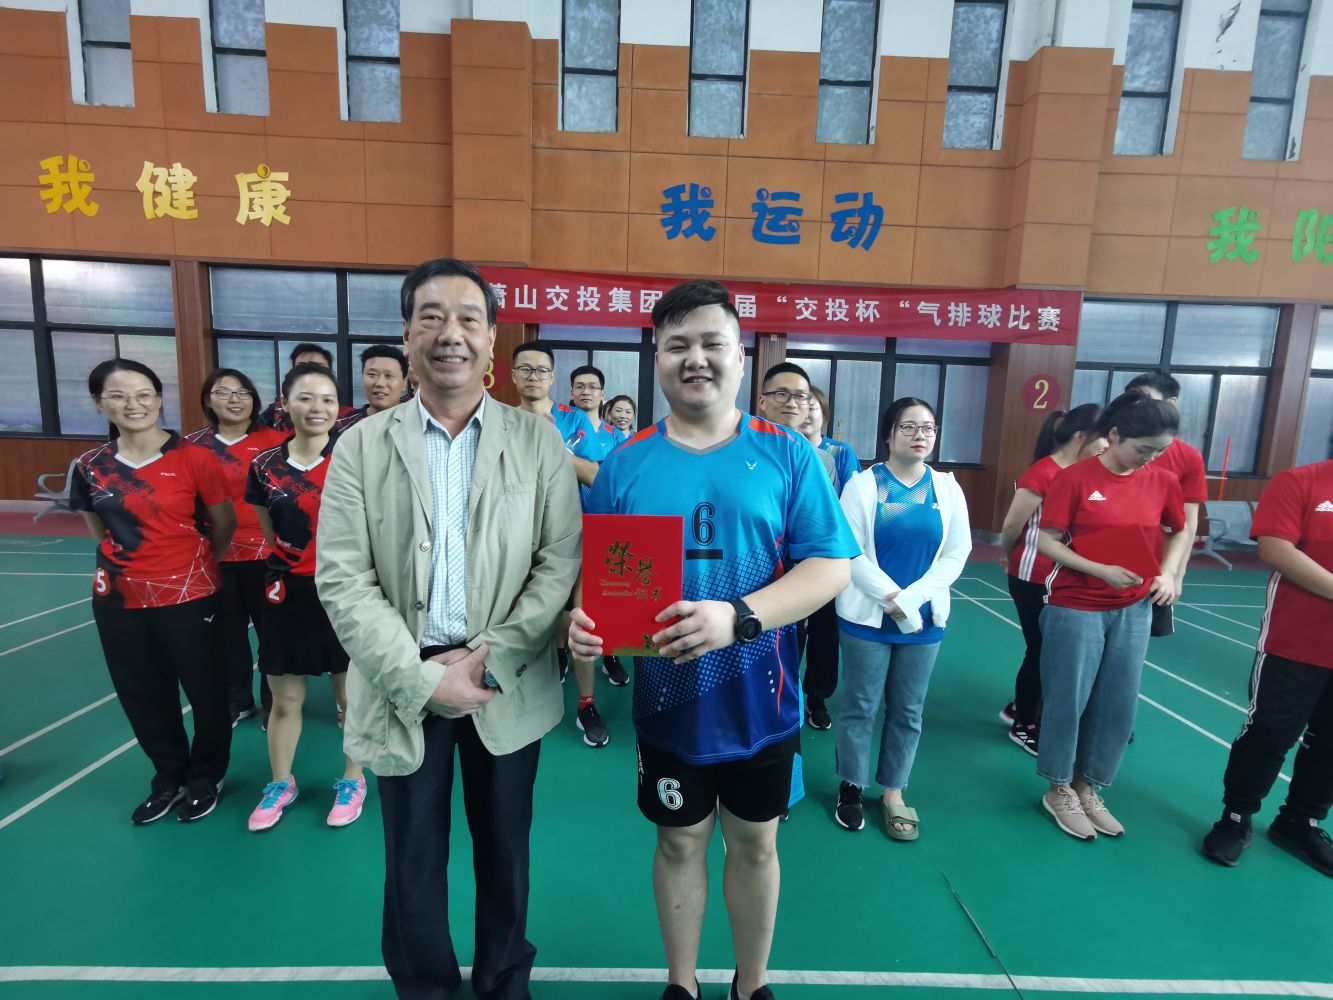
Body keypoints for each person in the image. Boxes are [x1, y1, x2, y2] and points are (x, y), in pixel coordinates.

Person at [568, 279, 856, 1000]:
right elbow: (601, 578)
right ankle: (682, 984)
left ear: (740, 356)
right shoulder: (625, 464)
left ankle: (750, 985)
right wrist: (584, 624)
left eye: (711, 343)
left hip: (764, 700)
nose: (695, 358)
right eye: (677, 345)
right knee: (678, 841)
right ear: (657, 358)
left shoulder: (787, 454)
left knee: (756, 844)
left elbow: (830, 567)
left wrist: (738, 617)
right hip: (669, 705)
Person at [317, 258, 581, 1000]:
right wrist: (421, 678)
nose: (450, 333)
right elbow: (342, 576)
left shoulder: (538, 443)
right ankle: (424, 986)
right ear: (407, 335)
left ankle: (503, 981)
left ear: (491, 340)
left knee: (506, 853)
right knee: (410, 861)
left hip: (507, 682)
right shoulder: (361, 446)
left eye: (468, 318)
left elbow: (558, 562)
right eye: (430, 316)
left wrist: (492, 658)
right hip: (401, 681)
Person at [71, 359, 236, 824]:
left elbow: (223, 524)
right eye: (119, 395)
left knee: (206, 693)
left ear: (159, 399)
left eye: (144, 394)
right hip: (119, 600)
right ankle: (168, 779)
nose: (134, 404)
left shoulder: (195, 458)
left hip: (190, 596)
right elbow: (100, 530)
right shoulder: (90, 466)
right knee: (142, 694)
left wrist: (189, 564)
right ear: (99, 402)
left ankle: (206, 777)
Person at [1033, 392, 1189, 840]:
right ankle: (1058, 788)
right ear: (1115, 435)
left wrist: (1167, 573)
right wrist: (1098, 569)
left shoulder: (1163, 481)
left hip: (1134, 608)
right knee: (1069, 700)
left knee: (1117, 703)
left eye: (1160, 450)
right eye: (1144, 449)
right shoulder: (1075, 479)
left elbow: (1179, 531)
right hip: (1075, 605)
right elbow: (1046, 540)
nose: (1151, 458)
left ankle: (1088, 787)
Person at [833, 397, 971, 838]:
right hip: (867, 620)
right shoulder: (862, 486)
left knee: (909, 709)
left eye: (928, 428)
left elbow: (957, 553)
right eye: (908, 427)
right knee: (860, 706)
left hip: (923, 622)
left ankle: (893, 790)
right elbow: (849, 550)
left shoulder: (947, 489)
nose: (919, 435)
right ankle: (852, 785)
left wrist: (912, 600)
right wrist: (889, 597)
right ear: (888, 435)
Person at [244, 363, 367, 831]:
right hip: (286, 593)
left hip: (345, 591)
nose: (318, 408)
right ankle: (281, 782)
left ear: (338, 408)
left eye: (328, 399)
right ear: (285, 403)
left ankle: (354, 779)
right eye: (306, 397)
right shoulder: (264, 466)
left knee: (350, 696)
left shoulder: (354, 460)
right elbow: (272, 532)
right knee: (286, 699)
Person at [1201, 457, 1333, 875]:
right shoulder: (1299, 482)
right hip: (1295, 642)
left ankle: (1300, 821)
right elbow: (1276, 548)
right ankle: (1235, 817)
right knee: (1270, 732)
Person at [509, 343, 614, 744]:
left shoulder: (575, 422)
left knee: (584, 619)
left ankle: (586, 703)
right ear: (513, 375)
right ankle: (519, 690)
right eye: (525, 369)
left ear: (553, 378)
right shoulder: (501, 422)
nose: (533, 376)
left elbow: (596, 477)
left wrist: (553, 445)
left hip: (576, 537)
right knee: (522, 617)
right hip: (518, 540)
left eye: (541, 370)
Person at [996, 404, 1104, 755]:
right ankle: (1024, 724)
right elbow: (1012, 526)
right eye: (1102, 439)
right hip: (1033, 576)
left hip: (1065, 579)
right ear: (1080, 437)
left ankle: (1020, 706)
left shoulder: (1087, 473)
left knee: (1054, 650)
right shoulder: (1043, 473)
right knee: (1042, 649)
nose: (1107, 446)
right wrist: (1010, 556)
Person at [186, 369, 286, 728]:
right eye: (223, 392)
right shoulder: (190, 447)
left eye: (242, 392)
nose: (234, 399)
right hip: (217, 555)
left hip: (269, 556)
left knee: (273, 634)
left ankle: (276, 704)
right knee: (227, 634)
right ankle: (237, 701)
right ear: (208, 400)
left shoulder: (278, 441)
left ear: (254, 399)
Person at [567, 364, 633, 701]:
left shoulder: (616, 436)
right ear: (571, 392)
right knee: (566, 595)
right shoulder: (561, 427)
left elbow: (622, 479)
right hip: (565, 524)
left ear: (602, 394)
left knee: (608, 593)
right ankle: (562, 653)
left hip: (605, 526)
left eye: (593, 386)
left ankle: (610, 653)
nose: (586, 391)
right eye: (579, 386)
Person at [1124, 373, 1208, 633]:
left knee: (1134, 642)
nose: (1137, 406)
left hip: (1155, 569)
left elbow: (1188, 522)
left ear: (1171, 403)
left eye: (1145, 398)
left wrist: (1175, 575)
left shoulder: (1188, 458)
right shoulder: (1111, 445)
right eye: (1131, 399)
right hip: (1103, 566)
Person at [791, 383, 852, 730]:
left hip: (825, 556)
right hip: (788, 559)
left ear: (823, 414)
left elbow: (844, 504)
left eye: (813, 406)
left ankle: (817, 697)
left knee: (825, 632)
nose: (806, 412)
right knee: (789, 630)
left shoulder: (835, 455)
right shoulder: (777, 449)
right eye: (801, 404)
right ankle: (785, 694)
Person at [335, 344, 409, 434]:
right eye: (372, 374)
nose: (380, 383)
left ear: (404, 382)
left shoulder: (416, 424)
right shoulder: (342, 427)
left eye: (389, 376)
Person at [806, 387, 859, 495]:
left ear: (824, 413)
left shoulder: (842, 451)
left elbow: (854, 496)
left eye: (811, 408)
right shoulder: (786, 452)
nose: (805, 415)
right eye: (800, 409)